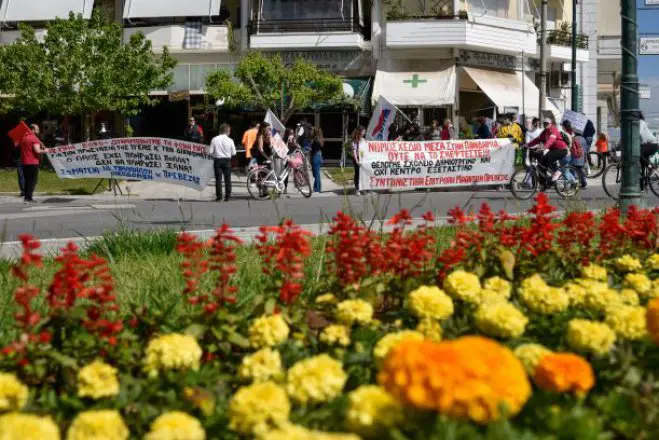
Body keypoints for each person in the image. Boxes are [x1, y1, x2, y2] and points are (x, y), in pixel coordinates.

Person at [528, 118, 568, 186]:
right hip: (553, 150)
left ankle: (557, 173)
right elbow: (537, 139)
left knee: (547, 158)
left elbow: (551, 140)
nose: (545, 125)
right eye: (544, 123)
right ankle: (544, 184)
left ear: (550, 124)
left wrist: (544, 147)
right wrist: (527, 145)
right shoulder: (545, 132)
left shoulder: (553, 130)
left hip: (561, 150)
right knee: (542, 164)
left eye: (547, 123)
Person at [209, 123, 236, 202]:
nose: (230, 133)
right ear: (227, 131)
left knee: (218, 179)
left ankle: (219, 196)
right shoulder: (230, 140)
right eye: (229, 131)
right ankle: (228, 196)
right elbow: (234, 153)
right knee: (228, 179)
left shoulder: (214, 139)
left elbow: (210, 151)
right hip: (227, 160)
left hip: (217, 160)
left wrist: (216, 153)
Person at [20, 124, 43, 204]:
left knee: (27, 180)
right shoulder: (34, 138)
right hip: (33, 162)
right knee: (32, 181)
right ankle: (28, 198)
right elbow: (37, 151)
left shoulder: (23, 138)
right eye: (38, 129)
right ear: (33, 129)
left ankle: (27, 198)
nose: (39, 131)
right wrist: (46, 151)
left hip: (24, 162)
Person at [561, 120, 587, 189]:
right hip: (580, 156)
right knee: (579, 170)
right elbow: (585, 150)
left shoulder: (568, 135)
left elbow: (569, 146)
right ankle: (582, 183)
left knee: (571, 170)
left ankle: (574, 184)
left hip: (573, 155)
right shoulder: (582, 138)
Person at [352, 126, 367, 194]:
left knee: (363, 174)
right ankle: (357, 188)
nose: (364, 133)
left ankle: (363, 188)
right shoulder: (354, 141)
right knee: (358, 173)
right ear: (360, 132)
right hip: (357, 159)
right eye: (363, 131)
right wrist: (357, 161)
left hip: (363, 159)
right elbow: (354, 151)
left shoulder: (363, 140)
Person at [310, 127, 324, 193]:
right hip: (318, 156)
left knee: (316, 173)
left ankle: (316, 188)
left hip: (315, 157)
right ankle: (318, 188)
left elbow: (313, 150)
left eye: (312, 130)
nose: (311, 131)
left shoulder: (315, 140)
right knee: (317, 173)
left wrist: (309, 148)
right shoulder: (319, 139)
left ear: (315, 132)